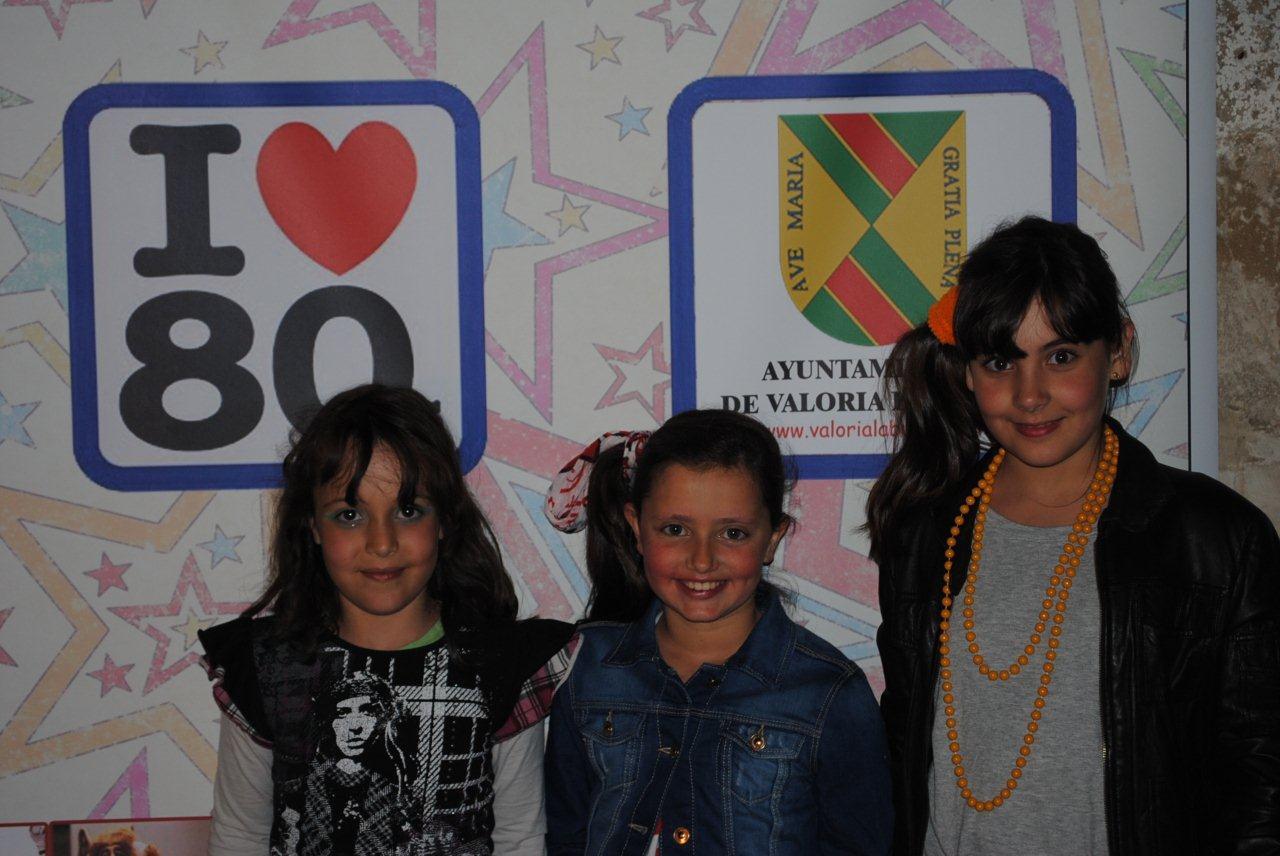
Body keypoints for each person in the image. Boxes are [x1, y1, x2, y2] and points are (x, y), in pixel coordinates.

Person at [867, 216, 1280, 856]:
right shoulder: (925, 531)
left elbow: (1261, 780)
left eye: (1060, 357)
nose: (1030, 396)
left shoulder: (1215, 538)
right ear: (969, 371)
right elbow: (902, 748)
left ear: (1117, 352)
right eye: (1000, 361)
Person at [199, 383, 574, 856]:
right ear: (312, 525)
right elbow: (239, 837)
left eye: (408, 510)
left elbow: (519, 838)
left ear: (444, 520)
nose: (382, 543)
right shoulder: (265, 668)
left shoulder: (500, 664)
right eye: (349, 514)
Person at [542, 410, 893, 855]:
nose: (702, 560)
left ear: (772, 538)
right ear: (636, 528)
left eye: (732, 533)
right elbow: (566, 836)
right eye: (675, 530)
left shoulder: (829, 693)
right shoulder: (588, 671)